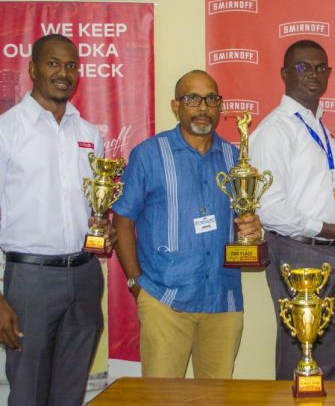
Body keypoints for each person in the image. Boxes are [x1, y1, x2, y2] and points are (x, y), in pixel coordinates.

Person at [0, 34, 115, 405]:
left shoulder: (89, 135)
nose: (63, 73)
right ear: (32, 68)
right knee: (28, 393)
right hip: (30, 283)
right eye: (52, 63)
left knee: (70, 392)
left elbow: (94, 207)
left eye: (70, 66)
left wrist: (102, 226)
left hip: (84, 277)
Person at [111, 70, 262, 379]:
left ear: (220, 107)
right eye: (192, 99)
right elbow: (122, 220)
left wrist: (251, 230)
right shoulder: (149, 155)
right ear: (175, 106)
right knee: (162, 399)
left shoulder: (236, 159)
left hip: (223, 299)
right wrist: (135, 283)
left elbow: (241, 221)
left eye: (210, 99)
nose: (203, 108)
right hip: (165, 301)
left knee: (216, 399)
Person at [249, 40, 335, 381]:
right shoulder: (275, 130)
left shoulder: (320, 127)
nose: (314, 75)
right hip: (298, 252)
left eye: (321, 68)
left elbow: (319, 188)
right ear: (284, 74)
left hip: (334, 251)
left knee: (331, 353)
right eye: (303, 67)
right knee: (298, 352)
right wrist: (333, 230)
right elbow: (270, 209)